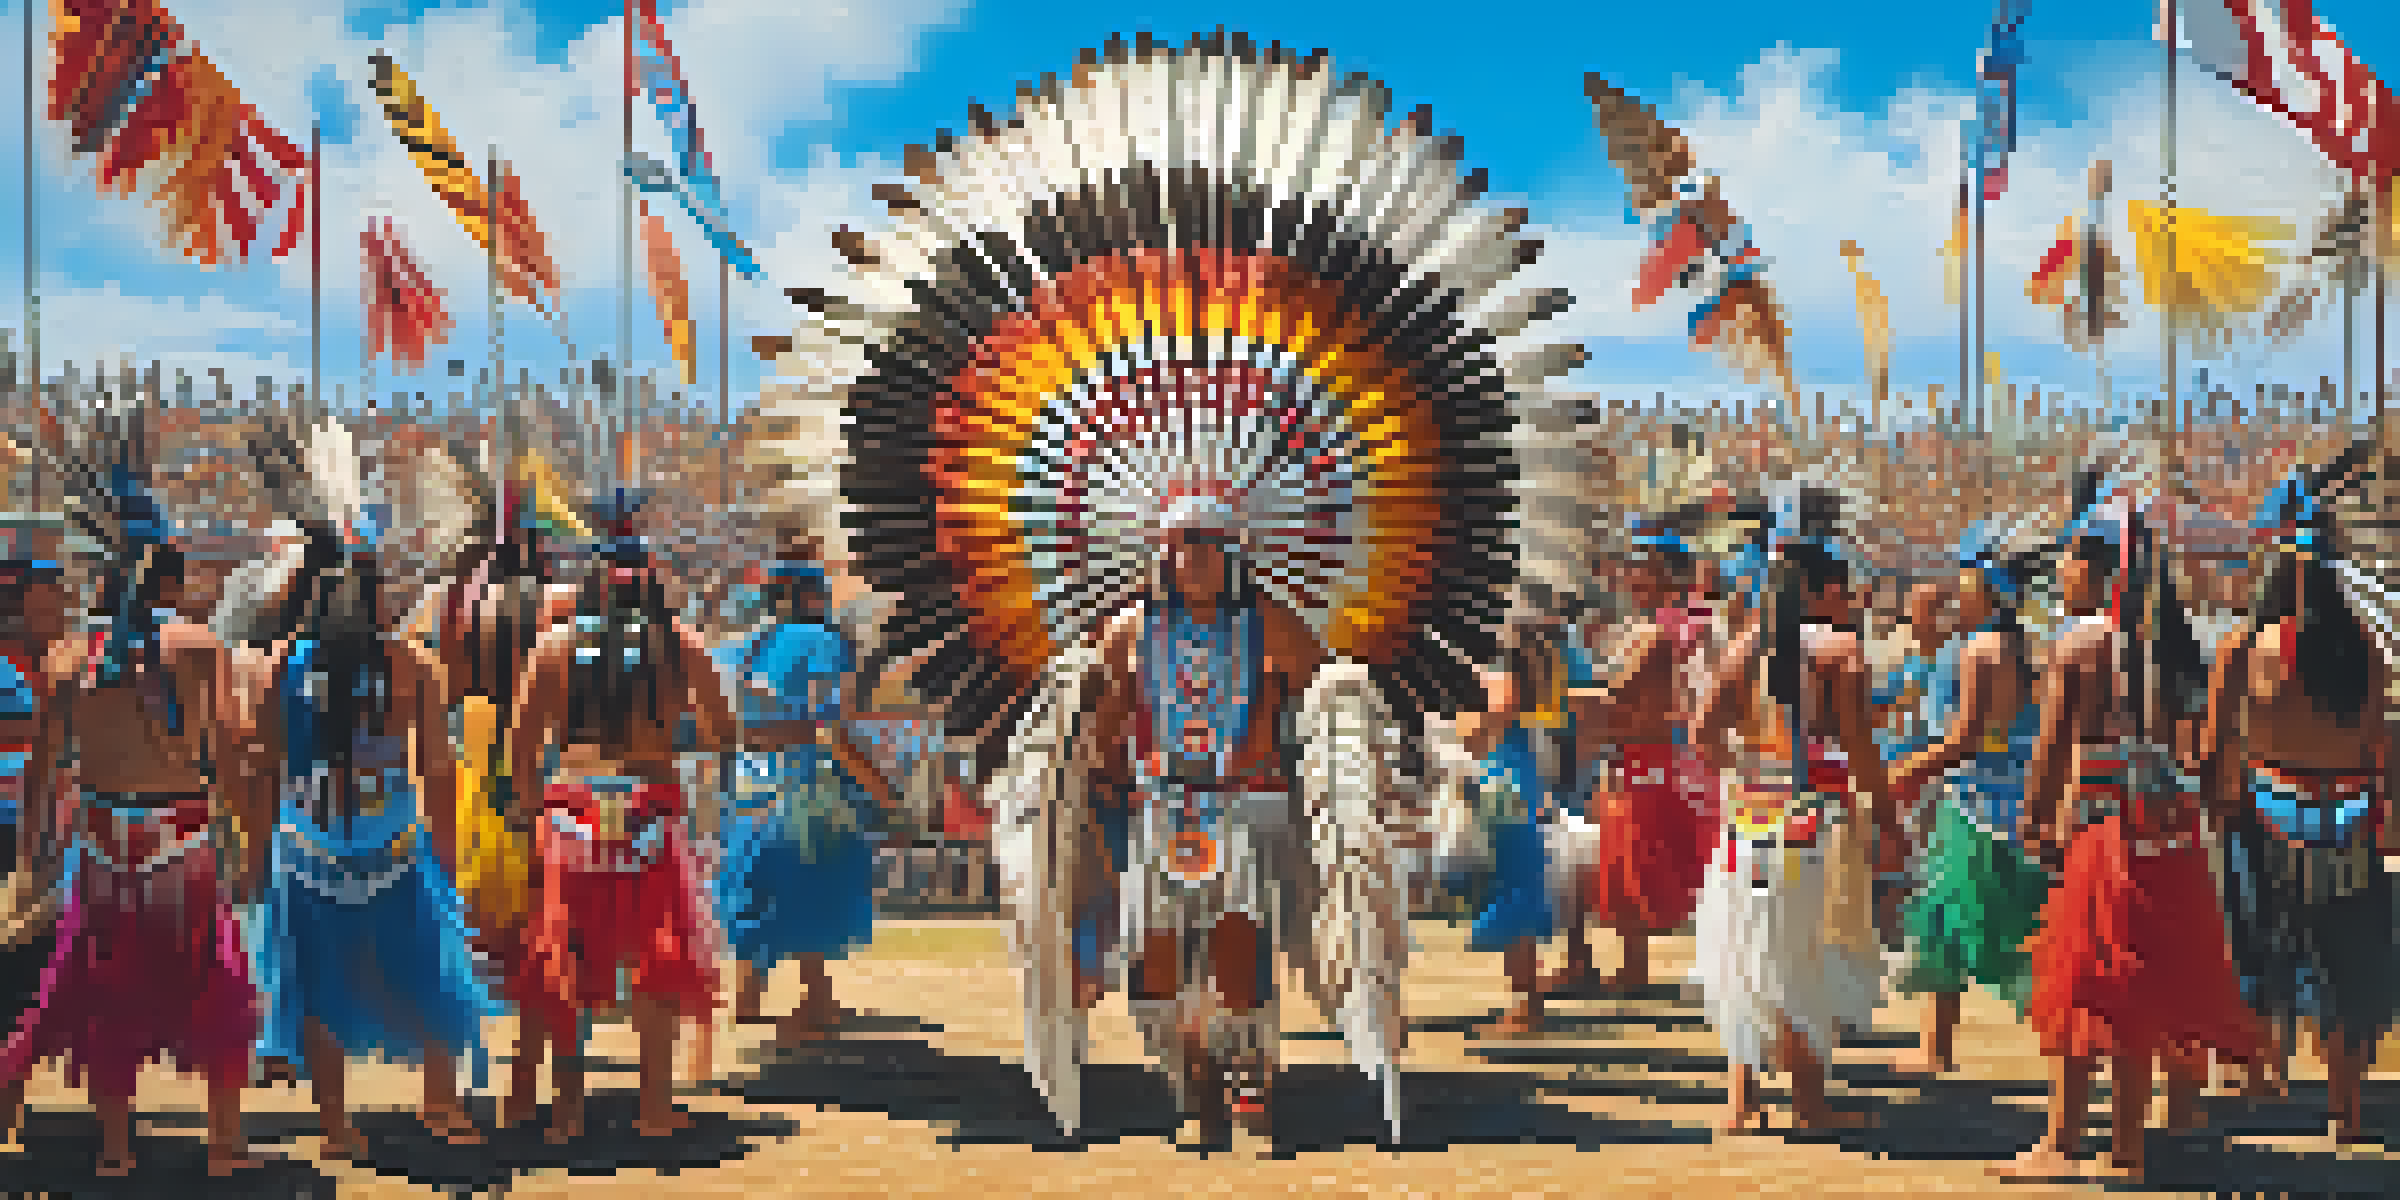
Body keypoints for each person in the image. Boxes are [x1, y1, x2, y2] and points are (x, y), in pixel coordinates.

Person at [1994, 486, 2261, 1183]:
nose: (2061, 573)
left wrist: (2033, 820)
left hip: (2102, 832)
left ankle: (2061, 1141)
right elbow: (2200, 753)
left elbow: (2052, 750)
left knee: (2085, 985)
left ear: (2103, 568)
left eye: (2072, 561)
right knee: (2139, 986)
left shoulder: (2078, 646)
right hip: (2170, 839)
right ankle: (2129, 1145)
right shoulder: (2174, 645)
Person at [0, 473, 262, 1177]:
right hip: (184, 842)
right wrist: (255, 837)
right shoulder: (202, 649)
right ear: (168, 583)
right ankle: (224, 1143)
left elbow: (41, 772)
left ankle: (116, 1149)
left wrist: (31, 857)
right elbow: (233, 756)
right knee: (211, 983)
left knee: (106, 991)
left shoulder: (66, 659)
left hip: (103, 844)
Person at [247, 516, 495, 1158]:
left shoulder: (281, 665)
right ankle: (439, 1101)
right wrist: (445, 853)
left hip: (305, 844)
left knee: (318, 983)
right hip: (395, 844)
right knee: (428, 972)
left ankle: (336, 1126)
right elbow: (438, 769)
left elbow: (264, 766)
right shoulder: (412, 663)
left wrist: (253, 853)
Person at [1081, 496, 1325, 1144]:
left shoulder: (1271, 625)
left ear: (1233, 552)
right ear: (1163, 551)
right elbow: (1104, 714)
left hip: (1242, 801)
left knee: (1235, 951)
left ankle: (1247, 1071)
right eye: (1183, 543)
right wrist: (1090, 777)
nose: (1195, 557)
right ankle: (1194, 1075)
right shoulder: (1131, 628)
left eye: (1209, 543)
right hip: (1159, 804)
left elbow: (1329, 701)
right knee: (1156, 960)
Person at [509, 503, 733, 1143]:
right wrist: (667, 732)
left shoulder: (554, 646)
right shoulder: (681, 645)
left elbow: (522, 747)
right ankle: (655, 1108)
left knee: (566, 960)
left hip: (569, 812)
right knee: (657, 962)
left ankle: (567, 1111)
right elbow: (722, 730)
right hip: (649, 810)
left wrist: (530, 814)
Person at [1689, 517, 1901, 1135]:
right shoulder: (1839, 652)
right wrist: (1888, 819)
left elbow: (1703, 733)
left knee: (1745, 951)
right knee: (1806, 954)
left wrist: (1747, 770)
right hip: (1815, 820)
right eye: (1843, 588)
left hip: (1749, 816)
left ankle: (1741, 1100)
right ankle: (1808, 1103)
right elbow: (1862, 750)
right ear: (1818, 590)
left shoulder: (1743, 646)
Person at [2212, 452, 2397, 1144]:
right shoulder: (2367, 649)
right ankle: (2344, 1109)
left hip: (2267, 810)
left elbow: (2214, 747)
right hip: (2348, 817)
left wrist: (2216, 800)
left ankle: (2262, 1076)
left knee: (2261, 946)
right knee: (2349, 959)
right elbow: (2384, 745)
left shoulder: (2243, 647)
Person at [409, 458, 581, 1125]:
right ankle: (534, 1095)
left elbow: (435, 693)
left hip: (465, 774)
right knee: (552, 941)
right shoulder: (557, 605)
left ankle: (444, 1096)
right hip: (532, 776)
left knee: (457, 938)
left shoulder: (442, 608)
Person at [712, 556, 898, 1046]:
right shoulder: (821, 642)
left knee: (754, 880)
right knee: (815, 885)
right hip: (807, 779)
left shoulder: (738, 648)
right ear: (809, 596)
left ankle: (747, 1000)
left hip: (749, 782)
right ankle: (815, 1003)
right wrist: (882, 786)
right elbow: (830, 728)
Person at [1886, 531, 2054, 1075]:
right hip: (2013, 801)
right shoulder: (2017, 643)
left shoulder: (1983, 650)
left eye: (1962, 577)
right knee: (1995, 928)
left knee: (1945, 926)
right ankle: (1939, 1048)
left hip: (1980, 810)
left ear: (1985, 585)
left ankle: (1937, 1050)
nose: (1952, 589)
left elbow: (1965, 738)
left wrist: (1905, 773)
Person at [1554, 526, 1712, 997]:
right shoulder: (1653, 629)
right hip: (1636, 757)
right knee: (1624, 864)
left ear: (1664, 577)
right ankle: (1628, 967)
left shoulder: (1656, 633)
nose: (1628, 575)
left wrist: (1548, 693)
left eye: (1639, 568)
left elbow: (1618, 695)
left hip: (1648, 760)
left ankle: (1634, 970)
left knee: (1637, 865)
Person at [1455, 618, 1572, 1036]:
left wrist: (1469, 726)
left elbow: (1499, 708)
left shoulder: (1503, 671)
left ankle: (1525, 1008)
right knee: (1517, 893)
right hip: (1516, 780)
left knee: (1512, 894)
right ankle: (1525, 1002)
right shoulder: (1532, 680)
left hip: (1504, 785)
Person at [0, 518, 68, 1152]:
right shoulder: (15, 671)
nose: (63, 610)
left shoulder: (50, 666)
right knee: (20, 968)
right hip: (17, 836)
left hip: (38, 835)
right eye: (51, 599)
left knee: (26, 967)